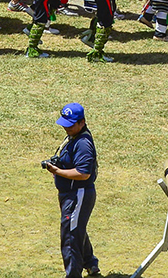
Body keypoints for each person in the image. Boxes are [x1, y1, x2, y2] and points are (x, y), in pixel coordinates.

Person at [43, 102, 100, 278]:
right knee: (75, 229)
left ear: (82, 122)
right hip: (71, 194)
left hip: (78, 195)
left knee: (70, 236)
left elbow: (83, 173)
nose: (66, 128)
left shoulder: (83, 143)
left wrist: (58, 171)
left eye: (70, 124)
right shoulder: (74, 137)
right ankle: (91, 265)